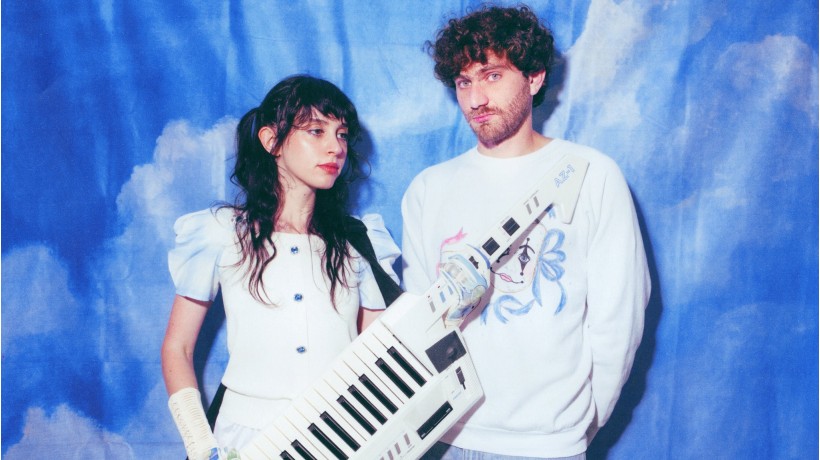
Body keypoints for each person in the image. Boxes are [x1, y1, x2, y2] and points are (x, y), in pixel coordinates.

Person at [401, 5, 650, 460]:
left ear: (534, 78)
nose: (476, 99)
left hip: (547, 445)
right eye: (463, 82)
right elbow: (420, 323)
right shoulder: (428, 189)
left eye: (492, 76)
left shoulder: (592, 174)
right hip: (444, 440)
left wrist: (575, 426)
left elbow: (619, 322)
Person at [161, 75, 402, 459]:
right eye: (316, 131)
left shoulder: (359, 241)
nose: (335, 147)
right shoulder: (221, 232)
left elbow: (379, 355)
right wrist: (200, 443)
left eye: (341, 134)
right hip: (245, 439)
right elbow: (178, 346)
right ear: (271, 140)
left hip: (342, 438)